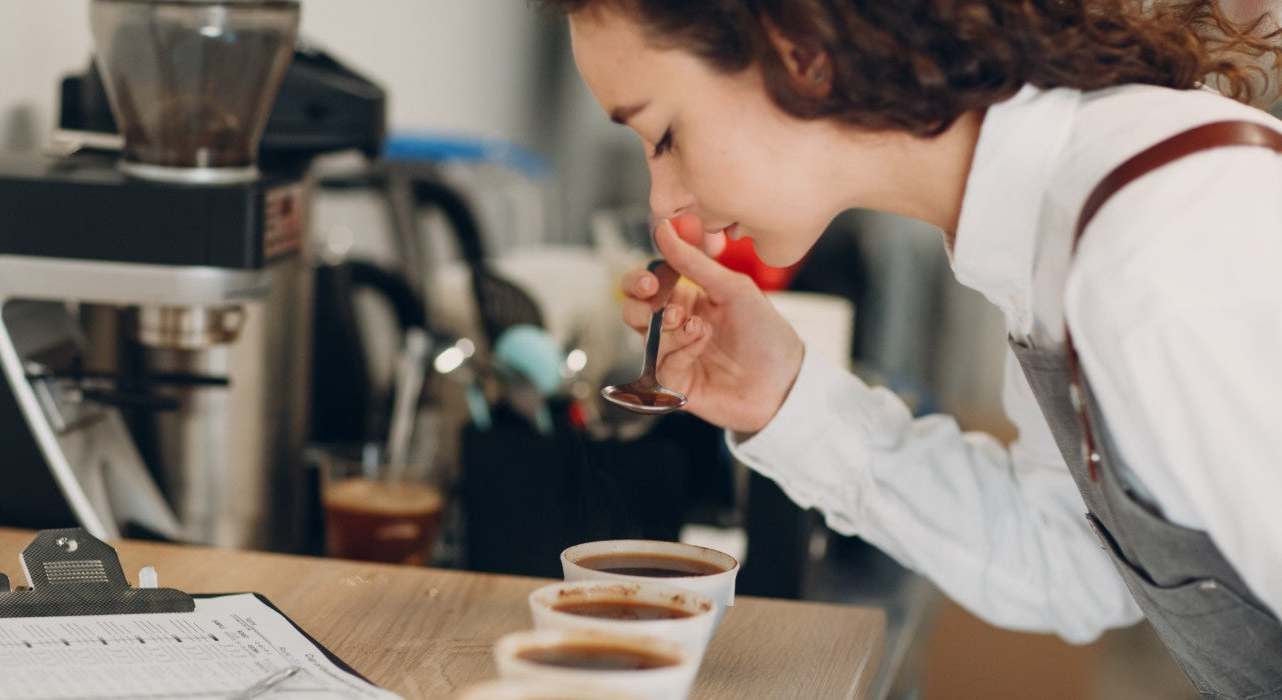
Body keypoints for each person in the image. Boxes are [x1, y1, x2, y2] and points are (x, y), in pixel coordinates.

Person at [541, 0, 1282, 695]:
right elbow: (1077, 566)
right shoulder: (1050, 228)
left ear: (801, 55)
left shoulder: (1159, 251)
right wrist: (783, 396)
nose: (662, 200)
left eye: (664, 135)